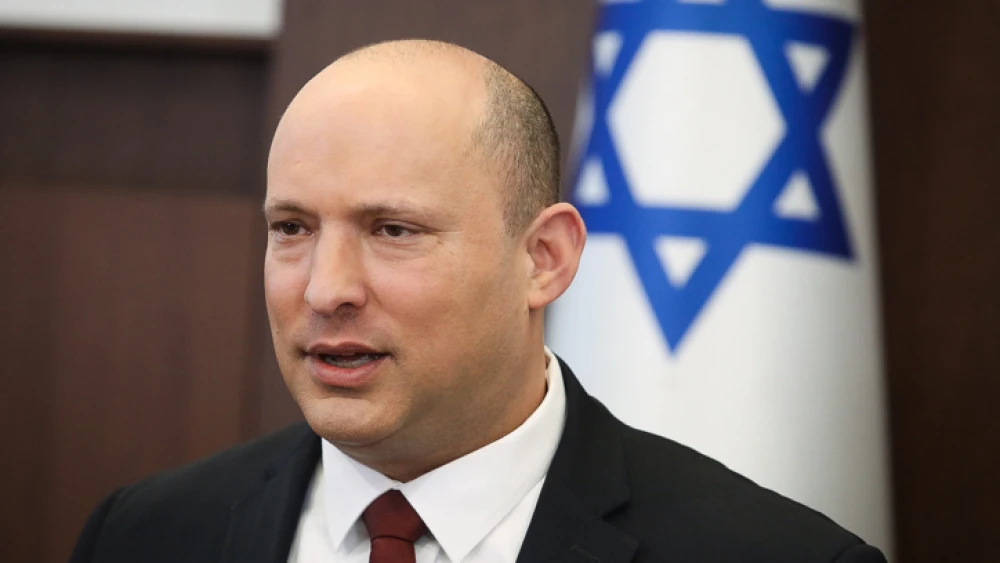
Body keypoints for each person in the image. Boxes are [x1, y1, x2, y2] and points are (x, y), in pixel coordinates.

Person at [69, 39, 887, 563]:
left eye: (393, 229)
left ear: (544, 259)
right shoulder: (143, 535)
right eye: (291, 227)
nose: (324, 289)